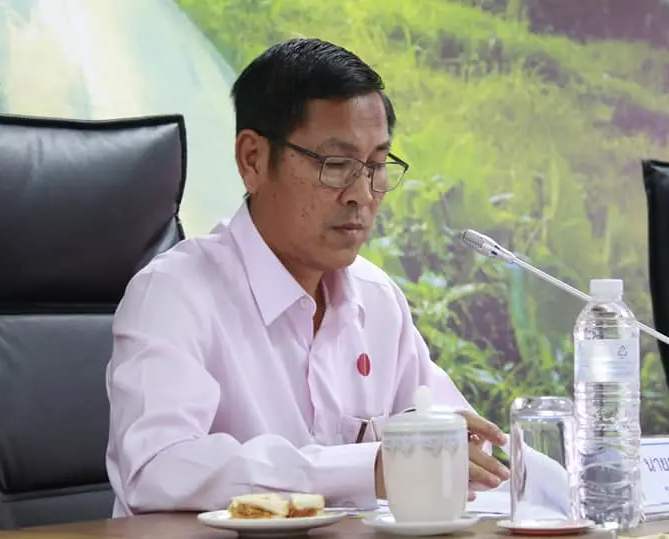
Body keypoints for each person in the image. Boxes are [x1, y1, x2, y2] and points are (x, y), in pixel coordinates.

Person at [105, 37, 510, 517]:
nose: (362, 195)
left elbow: (453, 438)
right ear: (253, 160)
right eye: (336, 165)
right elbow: (156, 469)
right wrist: (367, 467)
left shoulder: (377, 299)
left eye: (376, 166)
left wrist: (455, 450)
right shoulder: (174, 295)